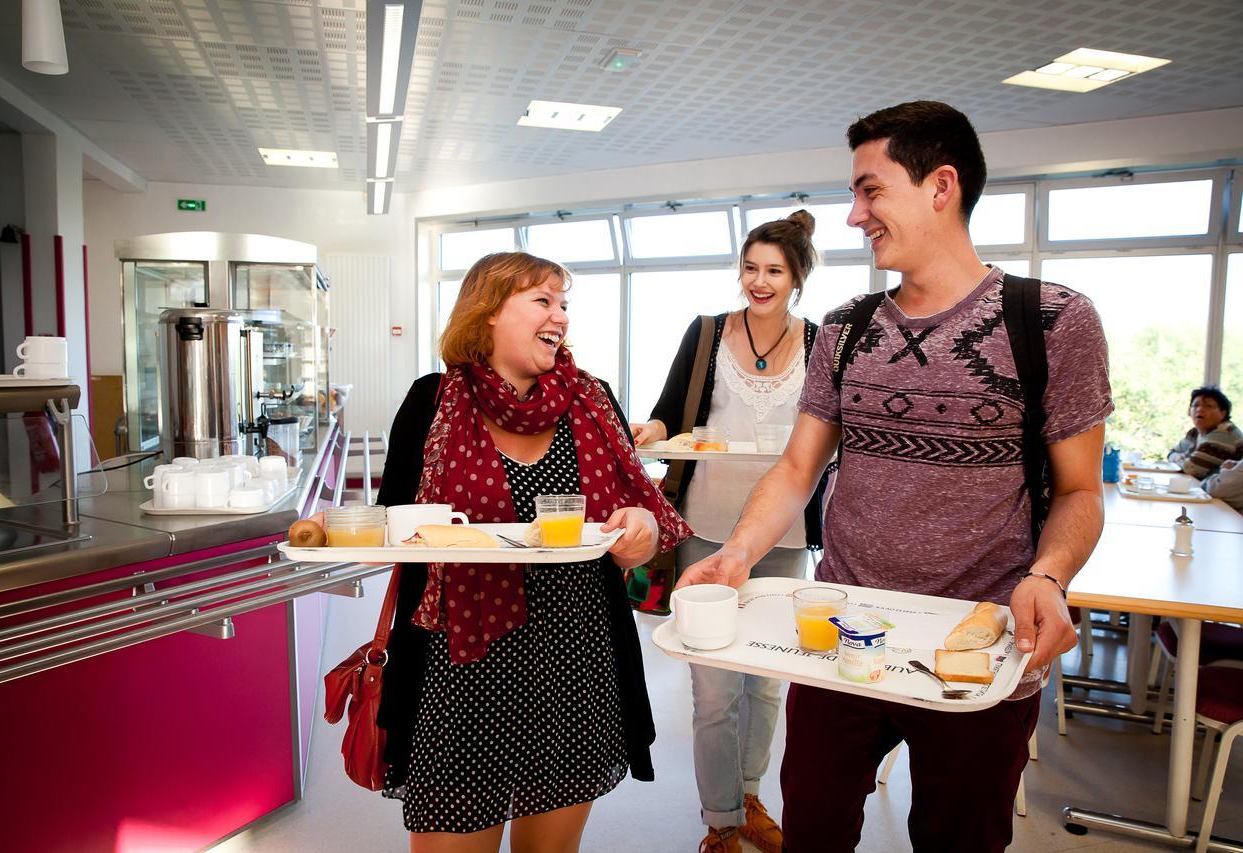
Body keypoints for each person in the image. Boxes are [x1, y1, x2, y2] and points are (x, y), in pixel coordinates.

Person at [678, 100, 1113, 852]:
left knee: (959, 839)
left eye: (870, 190)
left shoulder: (1050, 321)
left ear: (940, 186)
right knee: (813, 829)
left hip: (979, 650)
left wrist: (1049, 574)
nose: (853, 215)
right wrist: (740, 550)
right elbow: (797, 467)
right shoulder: (846, 330)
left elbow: (1079, 490)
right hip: (838, 638)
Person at [374, 251, 692, 853]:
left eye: (564, 304)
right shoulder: (431, 402)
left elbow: (634, 523)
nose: (561, 317)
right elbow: (395, 522)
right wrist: (354, 532)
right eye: (543, 301)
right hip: (460, 668)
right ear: (489, 313)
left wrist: (640, 532)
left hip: (577, 660)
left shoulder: (593, 402)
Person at [629, 210, 820, 853]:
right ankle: (720, 822)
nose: (758, 282)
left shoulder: (821, 344)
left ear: (797, 278)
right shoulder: (707, 332)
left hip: (785, 535)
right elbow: (667, 410)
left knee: (766, 681)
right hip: (706, 525)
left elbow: (831, 438)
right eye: (750, 268)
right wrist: (651, 433)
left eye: (773, 271)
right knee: (714, 687)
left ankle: (750, 795)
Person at [1167, 386, 1243, 480]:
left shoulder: (1225, 433)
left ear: (1223, 413)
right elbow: (1171, 453)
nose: (1199, 409)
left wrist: (1181, 458)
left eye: (1208, 406)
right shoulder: (1194, 433)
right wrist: (1182, 458)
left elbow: (1191, 468)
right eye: (1195, 405)